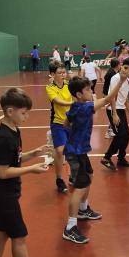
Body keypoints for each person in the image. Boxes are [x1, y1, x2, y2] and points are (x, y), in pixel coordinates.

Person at [0, 87, 60, 257]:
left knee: (1, 234)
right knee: (19, 236)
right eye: (23, 113)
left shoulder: (14, 130)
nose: (27, 117)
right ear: (10, 111)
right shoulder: (2, 138)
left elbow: (13, 159)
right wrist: (31, 169)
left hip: (3, 192)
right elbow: (3, 172)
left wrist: (33, 154)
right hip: (1, 194)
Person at [62, 74, 125, 244]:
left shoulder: (76, 106)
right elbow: (108, 99)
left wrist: (70, 135)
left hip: (79, 150)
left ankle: (83, 210)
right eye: (88, 90)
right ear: (78, 94)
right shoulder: (84, 108)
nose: (91, 92)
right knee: (80, 187)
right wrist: (121, 81)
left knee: (89, 176)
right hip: (75, 152)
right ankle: (70, 227)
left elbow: (66, 123)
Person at [101, 57, 129, 171]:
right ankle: (106, 158)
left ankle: (121, 158)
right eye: (125, 68)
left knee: (126, 136)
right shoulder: (115, 78)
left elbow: (125, 96)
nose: (126, 71)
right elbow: (112, 97)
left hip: (121, 109)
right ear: (121, 66)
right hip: (113, 109)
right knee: (120, 135)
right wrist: (114, 114)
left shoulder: (127, 80)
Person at [46, 62, 73, 193]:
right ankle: (59, 179)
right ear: (52, 74)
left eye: (64, 72)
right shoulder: (50, 88)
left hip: (71, 122)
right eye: (60, 73)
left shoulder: (69, 85)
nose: (63, 75)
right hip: (58, 123)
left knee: (72, 150)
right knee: (60, 150)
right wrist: (72, 103)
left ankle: (72, 175)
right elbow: (57, 101)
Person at [103, 58, 120, 138]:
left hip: (109, 94)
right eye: (120, 64)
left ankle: (111, 130)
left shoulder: (112, 72)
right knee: (112, 112)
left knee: (113, 112)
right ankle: (109, 131)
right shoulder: (112, 74)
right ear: (117, 65)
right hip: (109, 95)